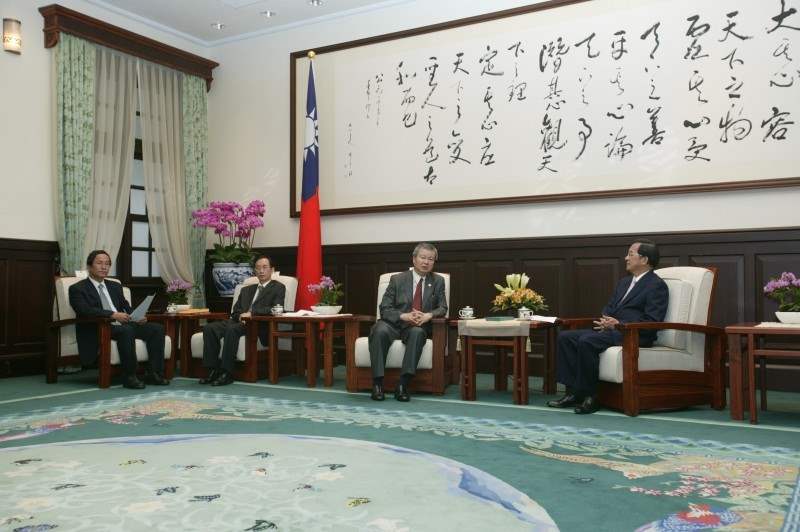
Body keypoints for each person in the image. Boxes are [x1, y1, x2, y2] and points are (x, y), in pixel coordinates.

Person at [547, 239, 668, 414]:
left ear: (644, 260)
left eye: (630, 254)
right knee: (565, 337)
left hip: (633, 335)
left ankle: (591, 396)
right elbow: (609, 307)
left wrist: (619, 324)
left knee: (587, 341)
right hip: (611, 331)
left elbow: (653, 320)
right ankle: (574, 393)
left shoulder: (656, 285)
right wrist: (606, 321)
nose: (626, 258)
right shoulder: (624, 282)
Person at [69, 250, 170, 389]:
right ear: (89, 266)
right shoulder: (77, 288)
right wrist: (112, 314)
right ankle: (130, 376)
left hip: (122, 324)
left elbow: (125, 306)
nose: (104, 267)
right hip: (99, 327)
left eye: (107, 264)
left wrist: (137, 316)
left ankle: (154, 373)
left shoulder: (115, 286)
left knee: (156, 329)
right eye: (99, 263)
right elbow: (84, 310)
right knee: (126, 330)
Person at [368, 242, 448, 402]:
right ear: (414, 259)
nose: (426, 262)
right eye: (423, 257)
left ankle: (403, 384)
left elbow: (443, 307)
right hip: (394, 323)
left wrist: (428, 315)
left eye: (430, 259)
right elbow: (384, 308)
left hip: (416, 326)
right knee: (379, 330)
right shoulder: (397, 279)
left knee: (418, 333)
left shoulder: (438, 281)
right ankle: (377, 384)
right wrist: (403, 316)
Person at [200, 255, 285, 386]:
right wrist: (240, 316)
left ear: (272, 270)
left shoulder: (278, 287)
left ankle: (227, 372)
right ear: (254, 271)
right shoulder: (246, 289)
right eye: (258, 268)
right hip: (239, 321)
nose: (261, 271)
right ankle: (212, 370)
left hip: (257, 324)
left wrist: (251, 313)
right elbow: (235, 311)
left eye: (264, 267)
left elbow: (276, 308)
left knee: (232, 329)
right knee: (209, 328)